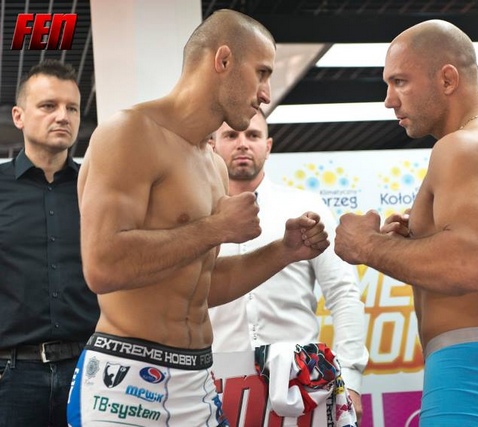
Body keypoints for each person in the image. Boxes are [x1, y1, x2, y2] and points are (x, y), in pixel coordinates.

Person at [66, 9, 330, 427]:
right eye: (261, 73)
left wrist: (283, 252)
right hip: (125, 379)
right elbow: (103, 265)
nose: (266, 93)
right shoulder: (129, 133)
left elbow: (203, 282)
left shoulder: (213, 166)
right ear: (223, 60)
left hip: (198, 379)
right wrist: (216, 227)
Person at [333, 19, 478, 426]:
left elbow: (470, 267)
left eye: (400, 82)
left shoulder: (461, 147)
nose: (389, 100)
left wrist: (366, 245)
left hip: (474, 369)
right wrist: (414, 244)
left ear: (448, 79)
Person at [208, 110, 368, 420]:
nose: (242, 143)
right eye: (231, 135)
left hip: (302, 381)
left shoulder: (303, 207)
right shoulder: (199, 216)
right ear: (213, 144)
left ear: (267, 146)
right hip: (215, 381)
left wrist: (350, 377)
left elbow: (343, 293)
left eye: (253, 135)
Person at [0, 60, 100, 426]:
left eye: (72, 108)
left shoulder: (98, 189)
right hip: (11, 376)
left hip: (89, 371)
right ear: (19, 116)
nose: (62, 116)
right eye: (48, 106)